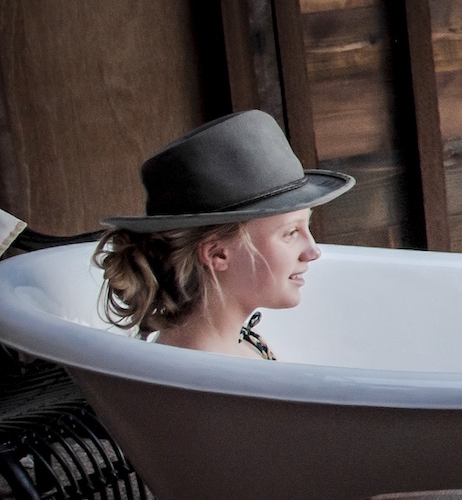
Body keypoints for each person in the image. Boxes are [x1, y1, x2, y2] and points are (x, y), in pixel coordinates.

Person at [93, 111, 352, 359]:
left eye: (306, 227)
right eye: (291, 232)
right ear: (217, 253)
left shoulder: (240, 342)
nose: (313, 251)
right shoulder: (212, 374)